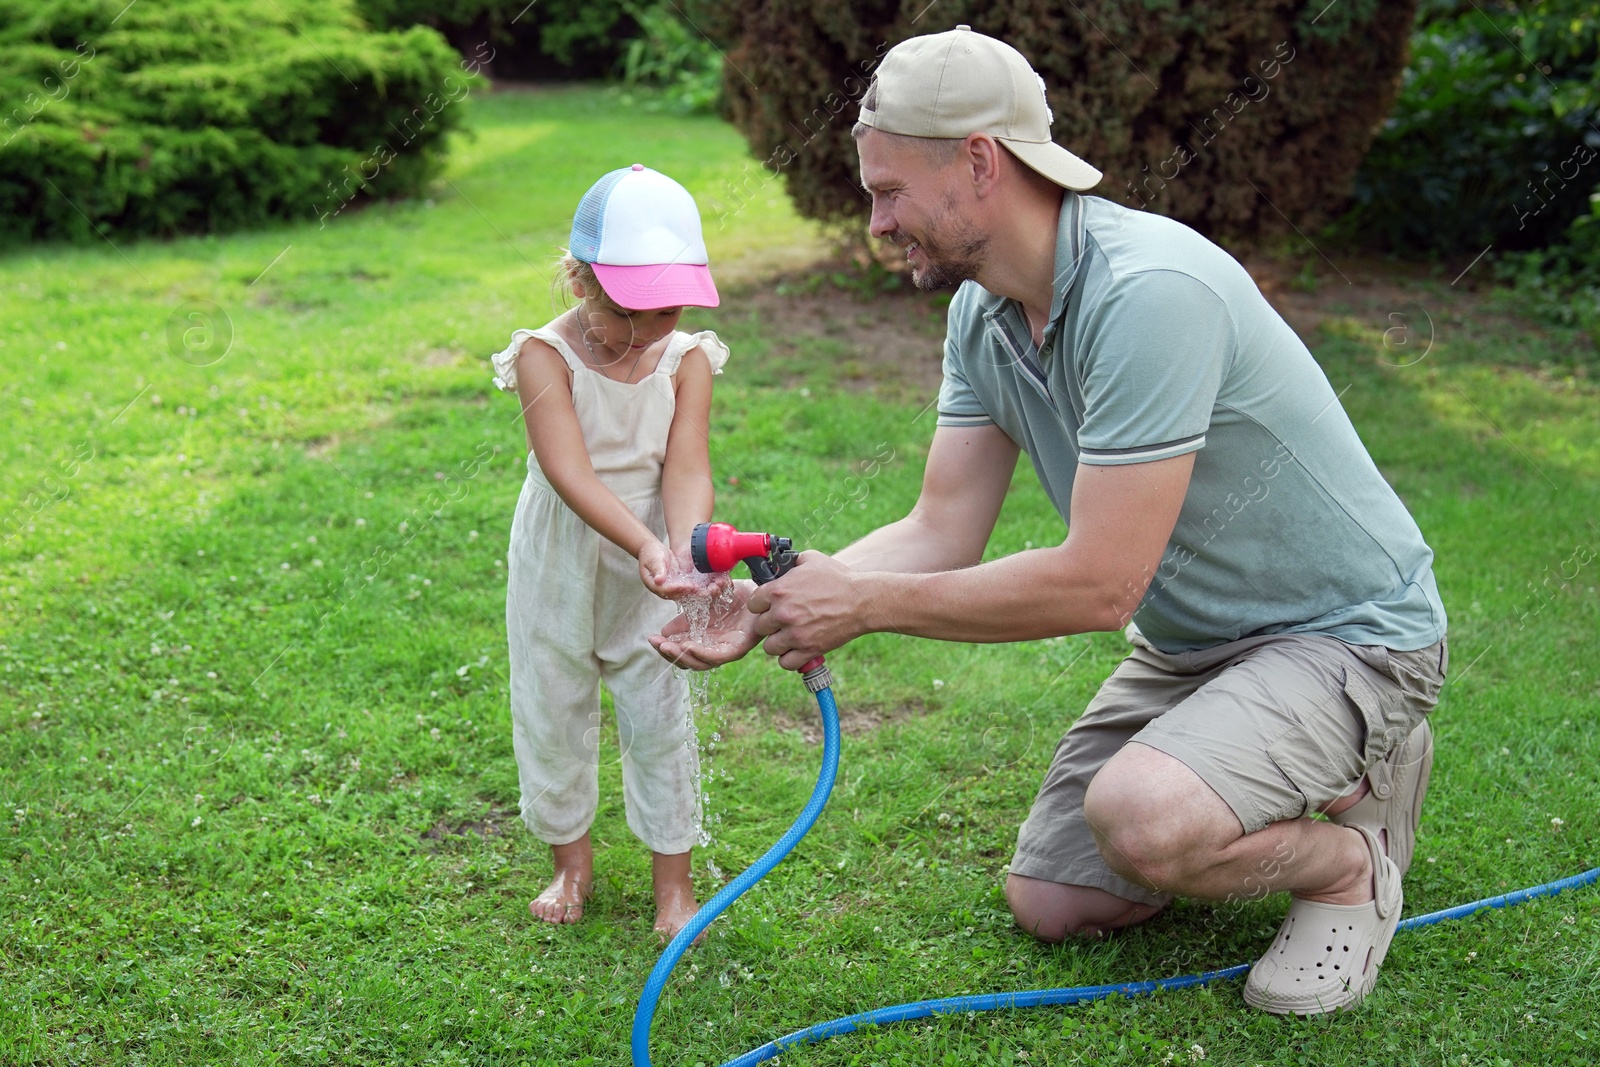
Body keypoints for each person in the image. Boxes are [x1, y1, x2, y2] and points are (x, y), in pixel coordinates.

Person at [652, 27, 1447, 1013]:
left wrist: (863, 604)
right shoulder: (982, 316)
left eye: (888, 191)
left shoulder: (1150, 293)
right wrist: (778, 599)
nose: (874, 221)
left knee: (1143, 819)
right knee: (1053, 896)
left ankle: (1344, 859)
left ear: (979, 162)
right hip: (1198, 644)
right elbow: (942, 526)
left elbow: (1099, 583)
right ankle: (1277, 770)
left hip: (1347, 635)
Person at [492, 164, 728, 939]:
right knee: (553, 702)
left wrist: (685, 548)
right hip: (565, 553)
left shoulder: (687, 357)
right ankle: (572, 861)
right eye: (636, 308)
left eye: (671, 306)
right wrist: (641, 542)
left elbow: (686, 464)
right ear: (581, 280)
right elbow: (569, 470)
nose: (656, 325)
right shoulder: (542, 356)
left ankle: (674, 882)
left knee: (658, 708)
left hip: (651, 555)